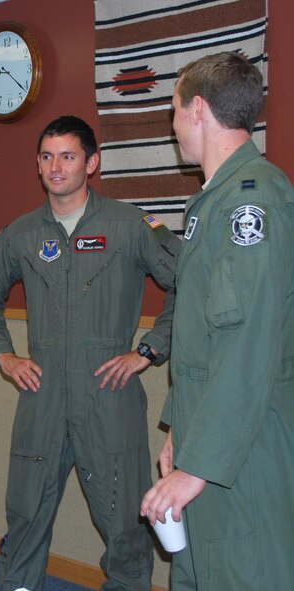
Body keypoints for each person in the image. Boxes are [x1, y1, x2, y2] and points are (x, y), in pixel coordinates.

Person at [0, 115, 180, 591]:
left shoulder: (130, 225)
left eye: (68, 156)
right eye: (46, 157)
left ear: (92, 163)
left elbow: (190, 282)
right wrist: (4, 355)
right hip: (41, 398)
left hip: (108, 397)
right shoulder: (21, 234)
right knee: (24, 516)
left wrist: (148, 350)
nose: (56, 167)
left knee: (126, 525)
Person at [140, 52, 294, 590]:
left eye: (175, 110)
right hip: (212, 440)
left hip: (242, 452)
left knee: (242, 574)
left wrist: (199, 464)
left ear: (198, 110)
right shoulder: (215, 200)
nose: (173, 124)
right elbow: (203, 342)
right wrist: (182, 432)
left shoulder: (251, 204)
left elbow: (249, 344)